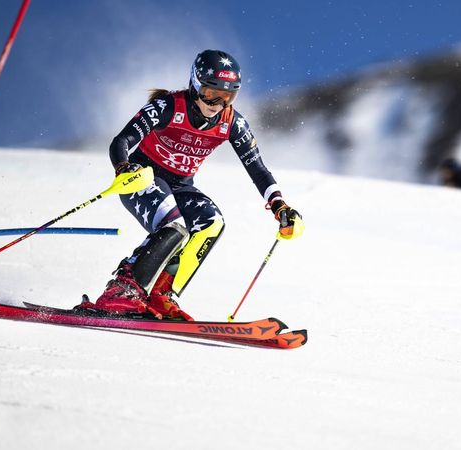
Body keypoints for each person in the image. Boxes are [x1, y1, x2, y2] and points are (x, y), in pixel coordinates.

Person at [78, 49, 304, 321]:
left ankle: (162, 294)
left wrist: (280, 205)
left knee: (211, 223)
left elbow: (258, 168)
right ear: (196, 85)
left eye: (227, 97)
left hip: (180, 186)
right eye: (211, 93)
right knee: (174, 225)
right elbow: (121, 141)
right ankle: (122, 290)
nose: (217, 103)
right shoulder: (168, 106)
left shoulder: (232, 122)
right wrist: (123, 167)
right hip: (142, 178)